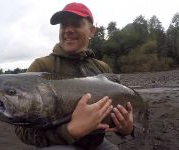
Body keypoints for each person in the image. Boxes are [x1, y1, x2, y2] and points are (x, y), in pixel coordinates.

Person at [15, 2, 134, 150]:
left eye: (76, 24)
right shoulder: (41, 67)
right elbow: (23, 131)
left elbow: (121, 121)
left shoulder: (103, 69)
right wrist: (70, 131)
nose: (68, 30)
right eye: (63, 25)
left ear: (91, 30)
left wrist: (127, 128)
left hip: (96, 144)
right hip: (58, 145)